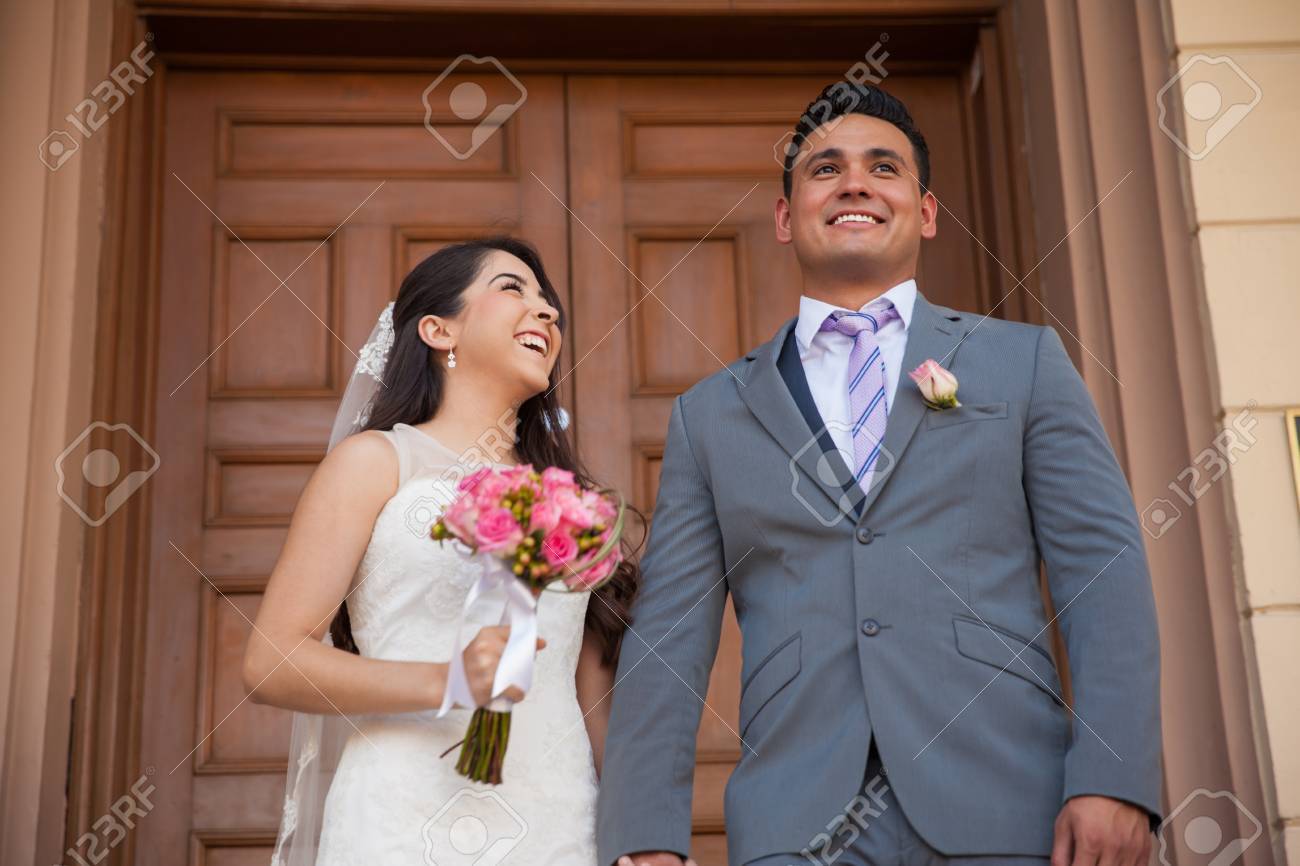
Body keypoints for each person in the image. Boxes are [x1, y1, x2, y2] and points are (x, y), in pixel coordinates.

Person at [597, 82, 1162, 866]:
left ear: (925, 212)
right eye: (826, 169)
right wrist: (644, 838)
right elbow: (668, 637)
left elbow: (1103, 571)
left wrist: (1115, 776)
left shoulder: (1023, 362)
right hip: (796, 823)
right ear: (786, 217)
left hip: (1008, 804)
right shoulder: (709, 414)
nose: (855, 183)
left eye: (883, 167)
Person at [244, 237, 648, 865]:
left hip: (558, 823)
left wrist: (634, 841)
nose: (546, 311)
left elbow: (588, 697)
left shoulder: (573, 503)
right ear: (439, 330)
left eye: (548, 302)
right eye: (512, 288)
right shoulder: (374, 463)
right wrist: (448, 680)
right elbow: (272, 662)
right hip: (402, 817)